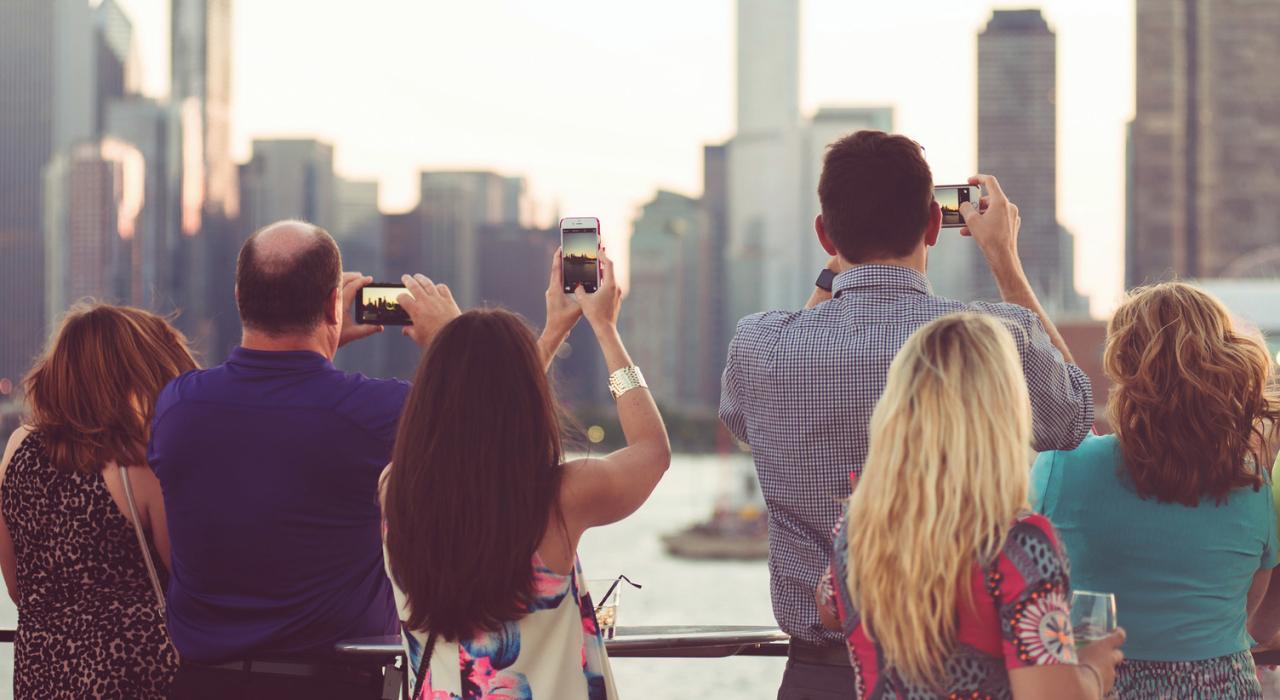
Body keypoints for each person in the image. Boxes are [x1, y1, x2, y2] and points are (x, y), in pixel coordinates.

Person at [718, 129, 1094, 697]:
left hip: (818, 674)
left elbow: (747, 422)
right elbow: (1073, 416)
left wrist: (834, 274)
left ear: (825, 233)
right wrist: (1004, 259)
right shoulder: (989, 340)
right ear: (934, 226)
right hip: (967, 676)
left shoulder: (760, 346)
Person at [150, 220, 461, 699]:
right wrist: (452, 344)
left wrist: (324, 343)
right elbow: (493, 436)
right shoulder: (377, 414)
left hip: (200, 684)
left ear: (238, 297)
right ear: (331, 305)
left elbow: (284, 409)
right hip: (329, 685)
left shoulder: (178, 405)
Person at [382, 247, 671, 699]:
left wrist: (553, 329)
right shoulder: (560, 497)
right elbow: (651, 451)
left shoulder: (394, 489)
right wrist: (604, 327)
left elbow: (485, 421)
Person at [818, 313, 1125, 698]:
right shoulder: (1020, 548)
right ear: (1004, 415)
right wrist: (1094, 672)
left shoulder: (859, 529)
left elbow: (828, 608)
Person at [1033, 283, 1280, 699]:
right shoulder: (1252, 484)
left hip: (1100, 685)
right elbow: (1249, 618)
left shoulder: (1062, 466)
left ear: (1122, 366)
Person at [0, 304, 198, 698]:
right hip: (133, 677)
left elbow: (17, 586)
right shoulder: (137, 459)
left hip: (40, 674)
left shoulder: (18, 447)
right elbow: (190, 579)